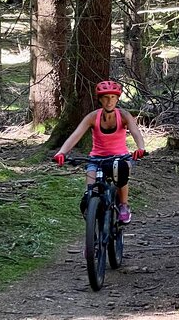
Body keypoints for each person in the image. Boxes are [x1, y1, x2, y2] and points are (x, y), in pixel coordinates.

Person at [53, 80, 146, 224]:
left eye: (113, 97)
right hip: (96, 159)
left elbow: (136, 133)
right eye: (105, 97)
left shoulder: (124, 115)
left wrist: (140, 149)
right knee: (89, 197)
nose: (109, 101)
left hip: (119, 158)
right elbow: (76, 135)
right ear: (100, 99)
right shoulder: (92, 117)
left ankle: (124, 205)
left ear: (117, 98)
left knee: (122, 172)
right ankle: (93, 238)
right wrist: (62, 153)